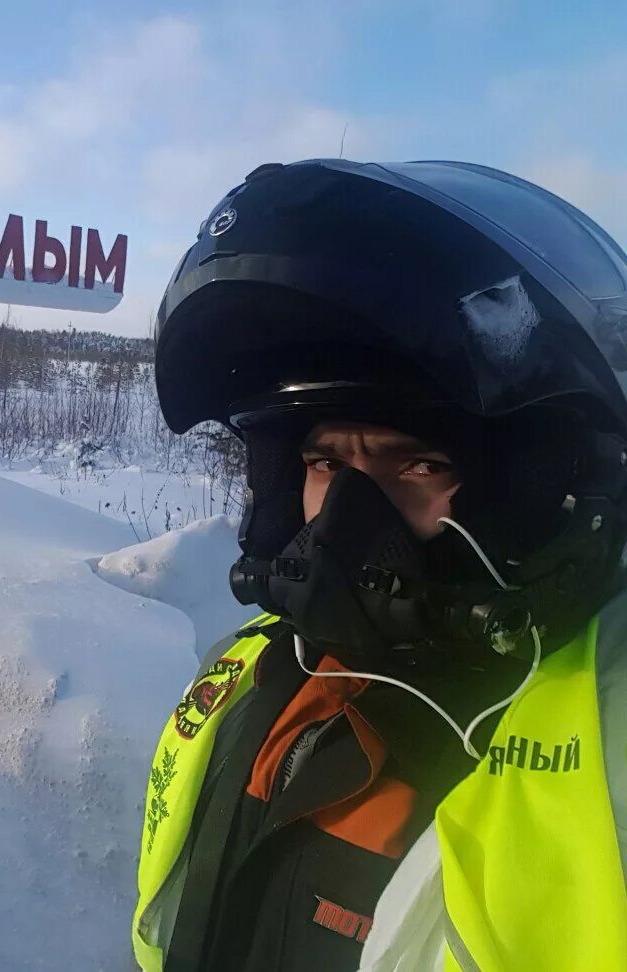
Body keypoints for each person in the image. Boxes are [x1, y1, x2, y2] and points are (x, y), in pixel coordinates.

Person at [132, 160, 627, 971]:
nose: (347, 523)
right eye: (327, 464)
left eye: (420, 465)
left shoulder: (605, 731)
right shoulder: (256, 676)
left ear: (541, 492)